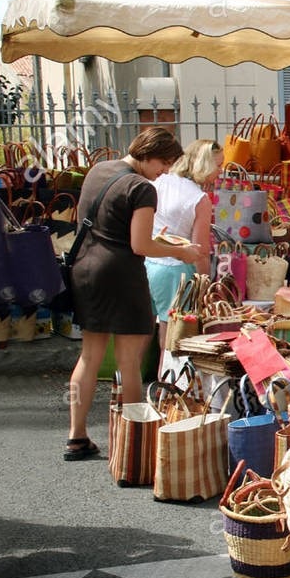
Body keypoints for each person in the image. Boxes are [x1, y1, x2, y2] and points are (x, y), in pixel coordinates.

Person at [65, 127, 205, 461]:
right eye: (164, 163)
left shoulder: (99, 171)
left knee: (89, 356)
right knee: (128, 361)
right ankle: (135, 443)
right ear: (149, 155)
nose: (165, 171)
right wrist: (182, 252)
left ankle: (76, 436)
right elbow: (140, 245)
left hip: (85, 269)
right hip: (121, 275)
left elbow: (105, 223)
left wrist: (158, 241)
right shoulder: (142, 188)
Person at [145, 138, 221, 352]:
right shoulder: (199, 198)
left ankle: (128, 373)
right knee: (171, 338)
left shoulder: (159, 181)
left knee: (142, 332)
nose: (221, 171)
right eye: (218, 165)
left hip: (147, 262)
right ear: (205, 165)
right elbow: (200, 250)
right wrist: (204, 285)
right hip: (175, 271)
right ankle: (166, 374)